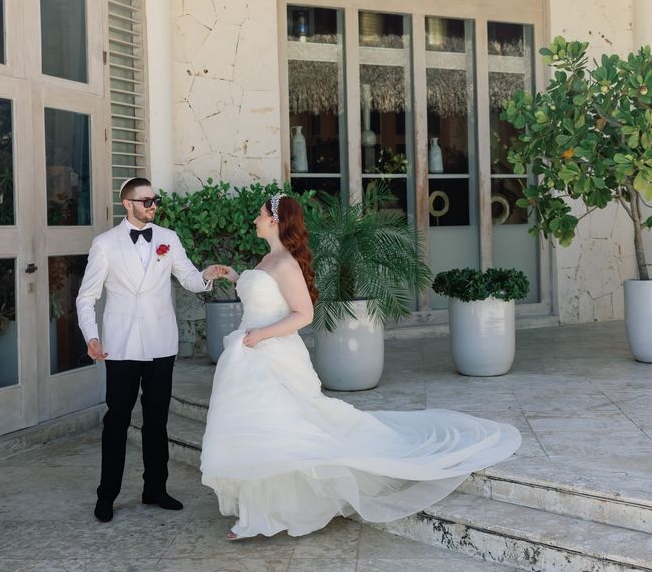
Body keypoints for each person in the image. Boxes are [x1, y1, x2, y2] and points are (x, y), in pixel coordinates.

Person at [200, 193, 522, 540]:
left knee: (283, 428)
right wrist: (234, 276)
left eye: (260, 214)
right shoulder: (268, 258)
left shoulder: (287, 263)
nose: (255, 220)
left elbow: (304, 314)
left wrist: (261, 334)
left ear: (275, 221)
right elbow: (264, 297)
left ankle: (266, 514)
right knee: (260, 430)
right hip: (251, 353)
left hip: (270, 350)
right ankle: (256, 512)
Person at [76, 177, 226, 523]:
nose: (153, 205)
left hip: (160, 342)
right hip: (121, 345)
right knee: (117, 421)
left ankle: (155, 489)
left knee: (157, 420)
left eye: (155, 199)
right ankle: (106, 496)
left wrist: (206, 275)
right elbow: (86, 297)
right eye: (146, 201)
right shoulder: (105, 244)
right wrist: (92, 337)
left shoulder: (168, 238)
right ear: (127, 204)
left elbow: (188, 278)